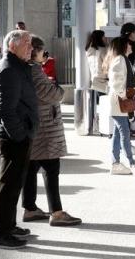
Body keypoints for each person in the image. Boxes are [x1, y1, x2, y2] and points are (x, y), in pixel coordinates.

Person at [0, 30, 39, 250]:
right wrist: (20, 135)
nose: (31, 47)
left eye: (31, 44)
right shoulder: (9, 69)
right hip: (12, 136)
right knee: (9, 185)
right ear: (12, 46)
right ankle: (1, 234)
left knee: (14, 184)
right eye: (26, 43)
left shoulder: (15, 66)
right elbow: (4, 110)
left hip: (13, 134)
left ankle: (9, 225)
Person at [21, 36, 81, 227]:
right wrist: (55, 87)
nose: (44, 56)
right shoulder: (35, 71)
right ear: (35, 52)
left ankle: (29, 208)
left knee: (31, 167)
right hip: (45, 127)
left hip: (35, 125)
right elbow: (56, 94)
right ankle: (56, 212)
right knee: (51, 168)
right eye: (42, 52)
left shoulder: (24, 69)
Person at [104, 37, 135, 177]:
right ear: (123, 46)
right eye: (128, 45)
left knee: (118, 133)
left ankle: (116, 163)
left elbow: (130, 77)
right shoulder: (120, 60)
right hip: (119, 103)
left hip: (118, 103)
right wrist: (125, 96)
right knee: (124, 133)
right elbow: (117, 82)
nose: (131, 47)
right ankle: (132, 164)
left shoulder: (121, 60)